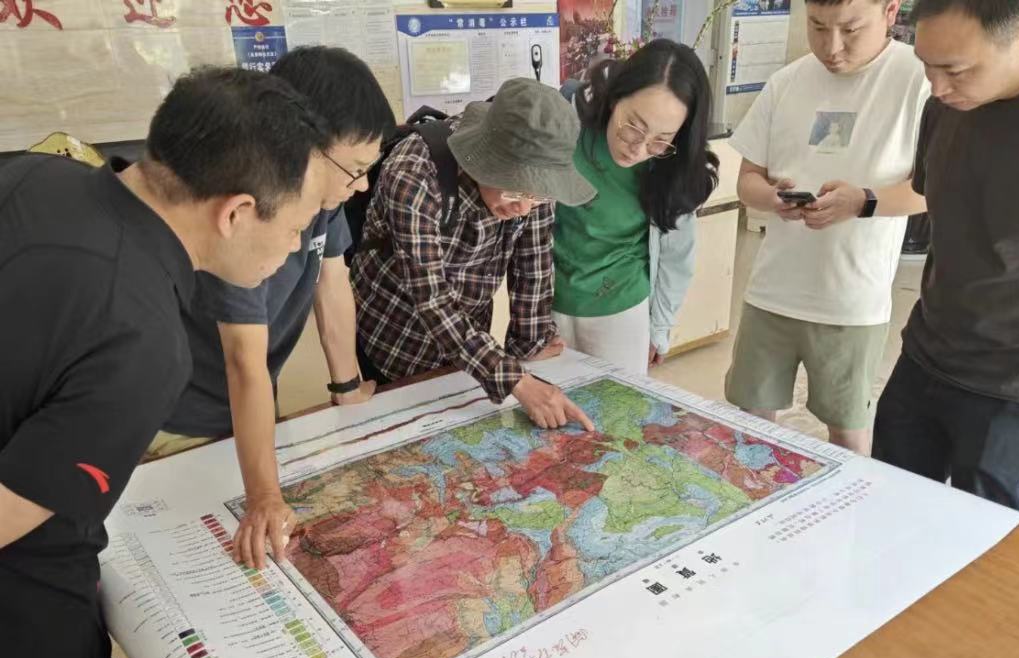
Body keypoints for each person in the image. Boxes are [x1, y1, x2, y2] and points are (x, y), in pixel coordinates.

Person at [0, 67, 327, 658]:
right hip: (22, 636)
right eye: (296, 228)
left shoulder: (34, 174)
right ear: (237, 213)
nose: (293, 250)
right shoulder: (143, 342)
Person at [147, 47, 395, 573]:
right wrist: (262, 495)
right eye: (355, 169)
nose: (363, 185)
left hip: (256, 400)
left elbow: (333, 282)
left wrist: (347, 387)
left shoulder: (324, 201)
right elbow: (243, 362)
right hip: (184, 416)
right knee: (214, 560)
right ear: (302, 146)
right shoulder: (251, 214)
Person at [872, 0, 1019, 513]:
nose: (936, 87)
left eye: (955, 70)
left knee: (984, 541)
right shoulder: (946, 104)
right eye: (926, 65)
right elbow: (937, 202)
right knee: (887, 514)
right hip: (926, 354)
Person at [724, 0, 930, 455]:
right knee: (750, 424)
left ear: (890, 11)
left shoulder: (919, 79)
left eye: (850, 29)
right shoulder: (787, 81)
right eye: (817, 27)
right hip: (772, 292)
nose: (831, 47)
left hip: (852, 303)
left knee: (848, 432)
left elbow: (933, 189)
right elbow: (748, 180)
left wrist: (863, 202)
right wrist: (773, 198)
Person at [351, 78, 598, 432]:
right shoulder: (416, 172)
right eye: (514, 190)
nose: (524, 207)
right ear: (484, 158)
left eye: (537, 196)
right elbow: (431, 299)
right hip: (396, 337)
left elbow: (533, 262)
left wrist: (530, 342)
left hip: (469, 344)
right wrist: (517, 381)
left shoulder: (534, 183)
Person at [552, 39, 719, 374]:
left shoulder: (673, 168)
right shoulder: (567, 124)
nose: (638, 149)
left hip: (621, 305)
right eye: (633, 127)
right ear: (616, 97)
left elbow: (677, 255)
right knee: (547, 402)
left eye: (660, 140)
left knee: (616, 404)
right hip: (548, 302)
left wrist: (659, 328)